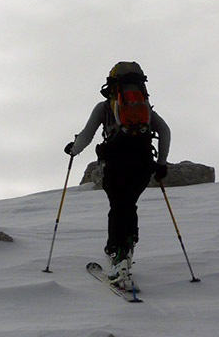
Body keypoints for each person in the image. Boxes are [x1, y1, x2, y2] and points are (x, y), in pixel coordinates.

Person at [64, 62, 170, 281]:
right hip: (142, 163)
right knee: (129, 204)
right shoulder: (146, 109)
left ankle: (118, 254)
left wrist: (74, 149)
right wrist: (161, 163)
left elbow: (87, 134)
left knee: (118, 206)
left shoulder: (104, 107)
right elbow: (165, 131)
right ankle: (128, 247)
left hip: (116, 163)